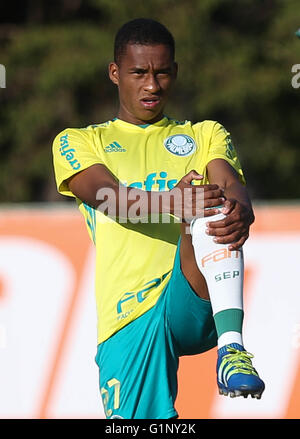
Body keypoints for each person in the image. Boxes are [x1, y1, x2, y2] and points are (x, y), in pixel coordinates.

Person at [52, 18, 265, 419]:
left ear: (175, 72)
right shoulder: (79, 140)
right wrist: (172, 201)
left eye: (162, 72)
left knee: (212, 203)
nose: (152, 85)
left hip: (193, 291)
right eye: (138, 73)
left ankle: (232, 349)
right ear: (115, 73)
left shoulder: (203, 133)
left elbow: (230, 182)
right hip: (128, 314)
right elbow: (106, 197)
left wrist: (242, 208)